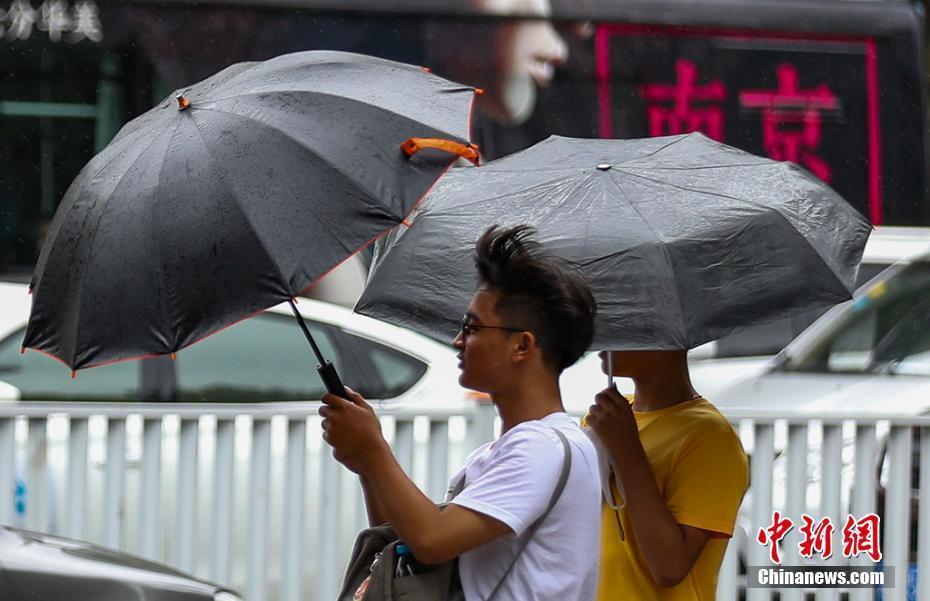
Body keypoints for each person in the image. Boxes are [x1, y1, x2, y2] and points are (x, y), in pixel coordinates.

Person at [320, 224, 601, 601]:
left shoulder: (541, 447)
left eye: (471, 327)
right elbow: (411, 548)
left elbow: (432, 541)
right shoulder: (510, 449)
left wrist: (374, 451)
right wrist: (368, 466)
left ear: (521, 345)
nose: (458, 341)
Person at [586, 350, 749, 600]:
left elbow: (670, 567)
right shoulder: (607, 419)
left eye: (624, 323)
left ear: (659, 335)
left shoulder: (712, 437)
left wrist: (627, 449)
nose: (604, 339)